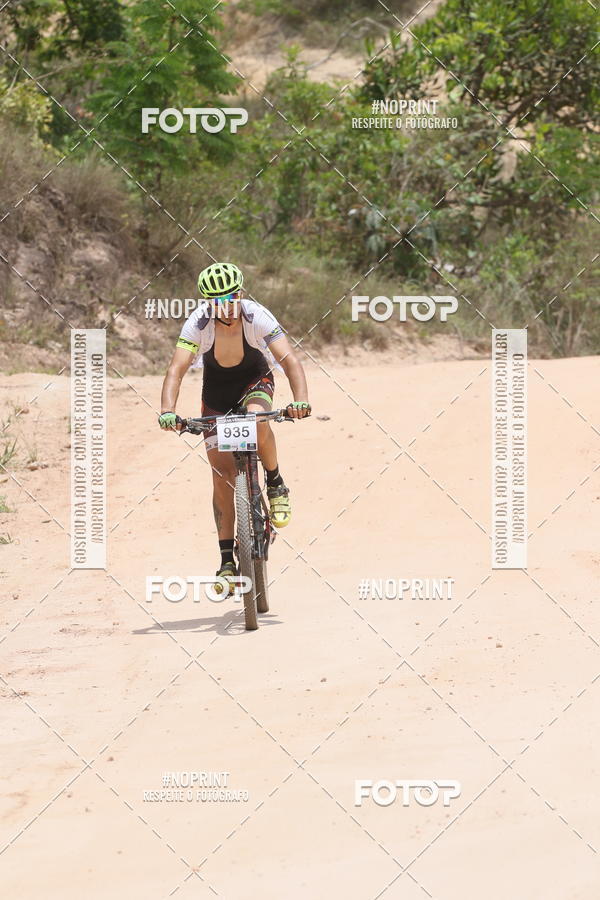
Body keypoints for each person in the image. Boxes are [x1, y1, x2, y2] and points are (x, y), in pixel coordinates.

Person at [158, 262, 311, 585]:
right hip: (216, 393)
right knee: (221, 477)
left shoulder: (257, 316)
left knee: (257, 420)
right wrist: (167, 410)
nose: (226, 305)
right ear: (207, 302)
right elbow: (176, 369)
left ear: (240, 294)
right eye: (217, 300)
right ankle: (227, 561)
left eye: (231, 297)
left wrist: (301, 400)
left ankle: (275, 482)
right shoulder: (198, 323)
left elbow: (288, 359)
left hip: (255, 382)